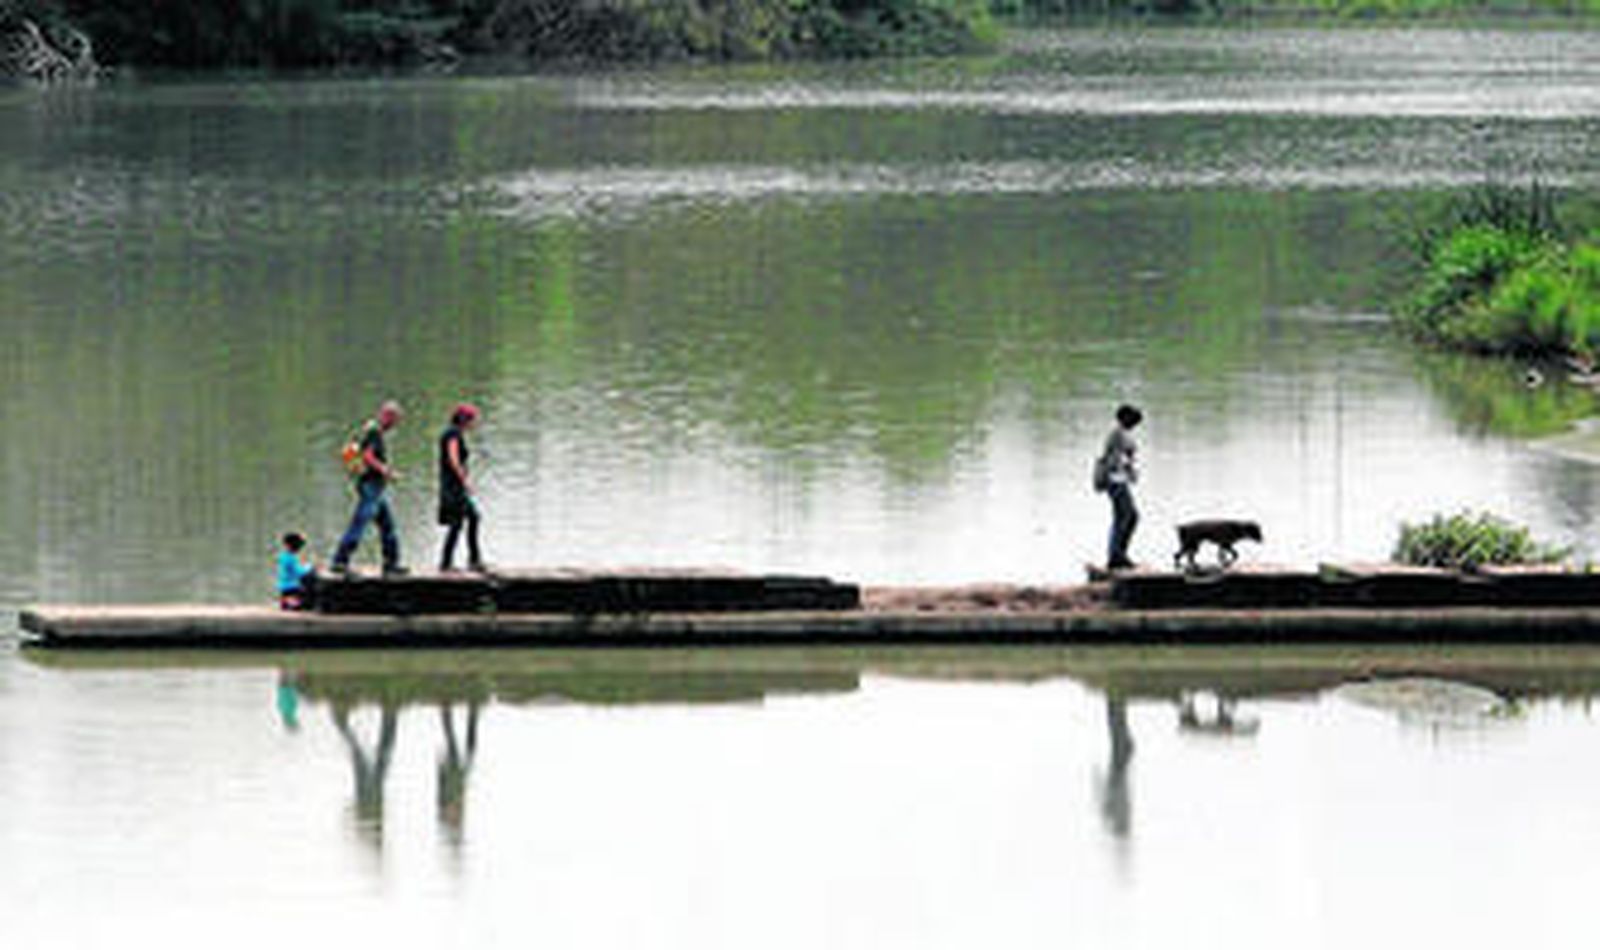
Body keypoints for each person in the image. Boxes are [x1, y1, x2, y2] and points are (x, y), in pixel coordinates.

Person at [330, 400, 407, 576]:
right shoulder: (373, 432)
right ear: (387, 416)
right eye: (395, 420)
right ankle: (340, 561)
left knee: (387, 526)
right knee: (360, 523)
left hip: (375, 487)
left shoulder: (374, 431)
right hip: (370, 486)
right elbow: (367, 457)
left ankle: (391, 564)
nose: (395, 425)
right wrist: (387, 471)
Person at [438, 402, 485, 572]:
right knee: (461, 522)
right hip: (453, 487)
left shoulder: (454, 433)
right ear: (464, 419)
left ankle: (470, 559)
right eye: (473, 420)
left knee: (470, 519)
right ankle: (449, 562)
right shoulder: (452, 434)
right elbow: (453, 459)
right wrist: (465, 482)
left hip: (454, 486)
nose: (474, 424)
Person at [1096, 403, 1143, 571]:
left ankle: (1118, 555)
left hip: (1119, 480)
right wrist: (1128, 466)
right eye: (1134, 420)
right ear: (1125, 418)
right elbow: (1114, 458)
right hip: (1114, 481)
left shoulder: (1122, 433)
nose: (1135, 424)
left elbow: (1124, 457)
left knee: (1126, 517)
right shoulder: (1117, 434)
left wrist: (1130, 471)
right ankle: (1116, 556)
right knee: (1128, 516)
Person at [276, 532, 318, 610]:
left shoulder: (284, 556)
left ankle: (288, 601)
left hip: (284, 586)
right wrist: (310, 568)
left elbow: (295, 569)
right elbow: (298, 572)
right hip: (291, 586)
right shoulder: (290, 558)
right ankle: (290, 601)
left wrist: (307, 567)